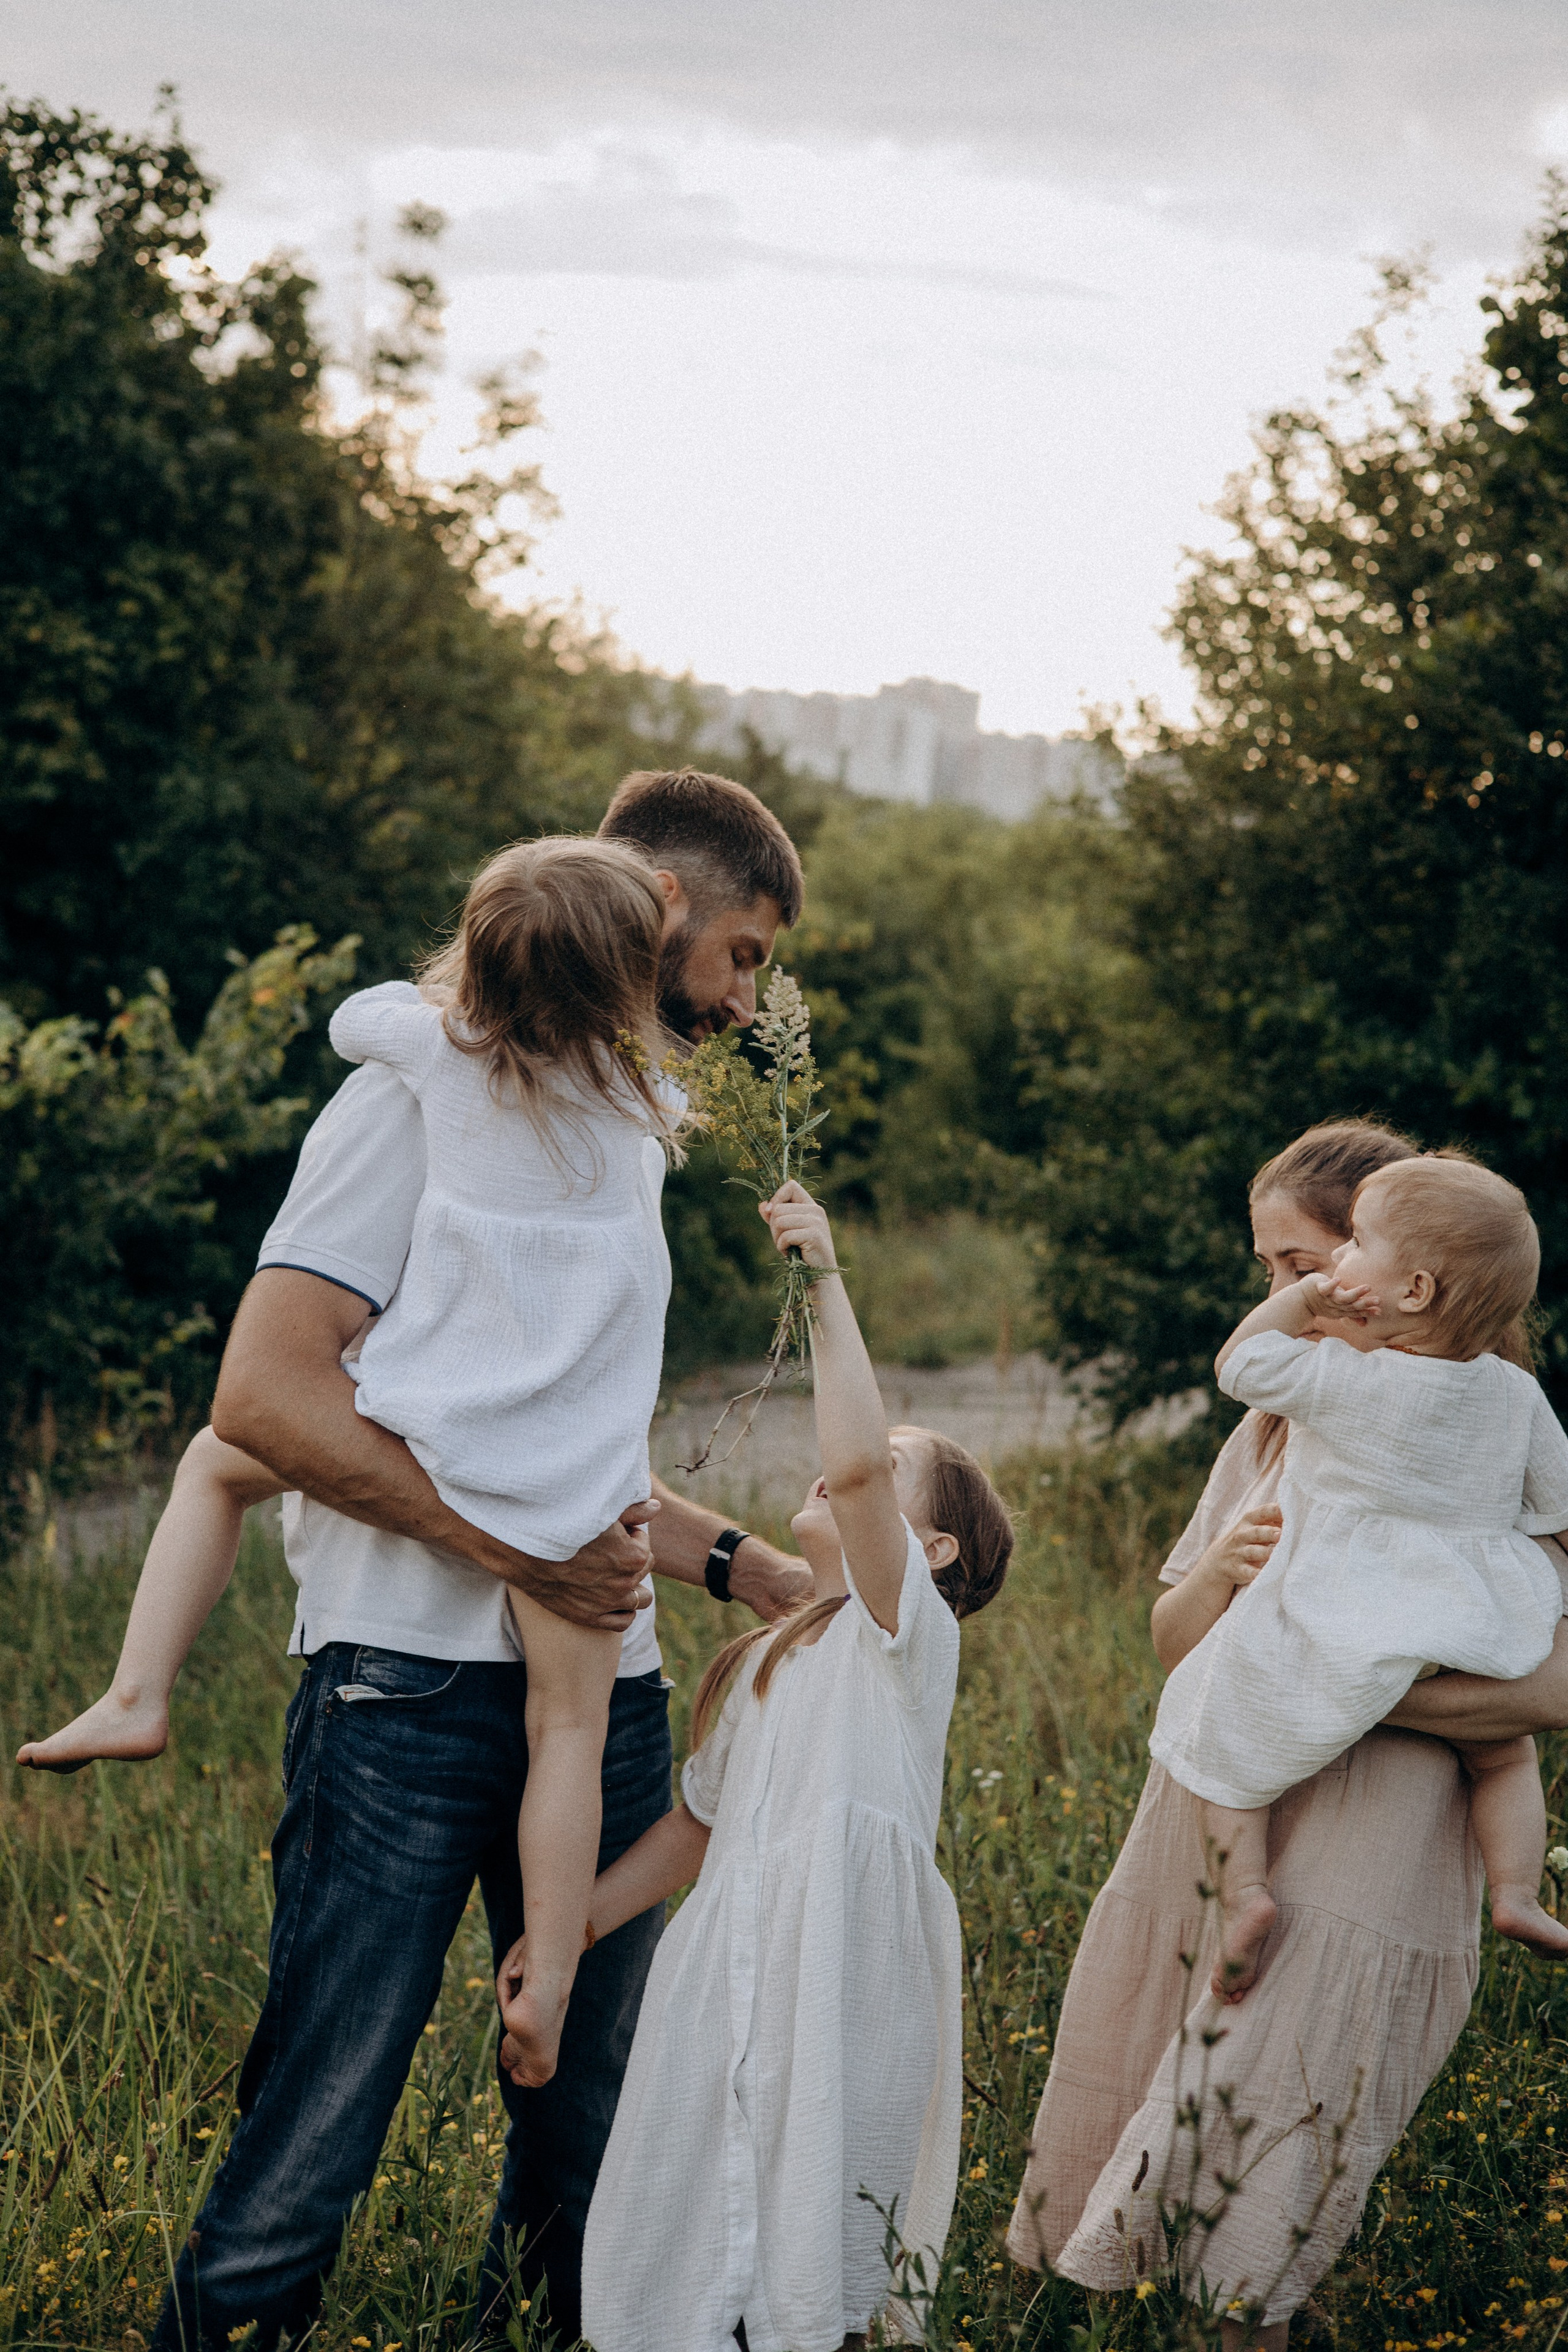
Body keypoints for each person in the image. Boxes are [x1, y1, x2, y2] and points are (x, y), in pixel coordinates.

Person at [115, 769, 810, 2352]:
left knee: (599, 2131)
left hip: (608, 1705)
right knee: (317, 2133)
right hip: (399, 1697)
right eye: (747, 957)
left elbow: (554, 1433)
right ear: (669, 917)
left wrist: (739, 1567)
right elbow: (265, 1397)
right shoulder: (405, 1101)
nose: (749, 1000)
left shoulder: (626, 1125)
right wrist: (518, 1555)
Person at [22, 834, 692, 2088]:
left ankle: (137, 1691)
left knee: (214, 1467)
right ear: (623, 990)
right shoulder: (635, 1110)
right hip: (574, 1496)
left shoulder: (432, 1065)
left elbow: (354, 1020)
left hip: (431, 1428)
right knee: (570, 1732)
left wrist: (455, 1002)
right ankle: (546, 1973)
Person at [1006, 1119, 1568, 2352]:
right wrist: (1214, 1586)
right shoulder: (1271, 1428)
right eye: (1267, 1269)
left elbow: (1547, 1688)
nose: (1286, 1291)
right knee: (1177, 2130)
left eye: (1302, 1260)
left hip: (1371, 1835)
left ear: (1393, 1272)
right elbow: (1172, 1644)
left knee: (1271, 2135)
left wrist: (1324, 1674)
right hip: (1228, 1804)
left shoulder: (1480, 1426)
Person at [562, 1178, 1014, 2352]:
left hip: (840, 1963)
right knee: (697, 2192)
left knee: (817, 2213)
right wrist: (574, 1928)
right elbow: (693, 1829)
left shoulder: (904, 1637)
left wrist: (823, 1279)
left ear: (932, 1549)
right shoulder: (770, 1656)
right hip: (729, 1960)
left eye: (888, 1462)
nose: (849, 1463)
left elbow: (855, 1468)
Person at [1153, 1152, 1568, 1997]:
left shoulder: (1346, 1381)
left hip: (1347, 1615)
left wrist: (1305, 1306)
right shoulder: (1517, 1397)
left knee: (1224, 1729)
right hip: (1471, 1618)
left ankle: (1244, 1895)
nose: (1322, 1278)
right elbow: (1556, 1509)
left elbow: (1239, 1366)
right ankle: (1519, 1892)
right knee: (1505, 1760)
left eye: (1327, 1259)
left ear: (1411, 1291)